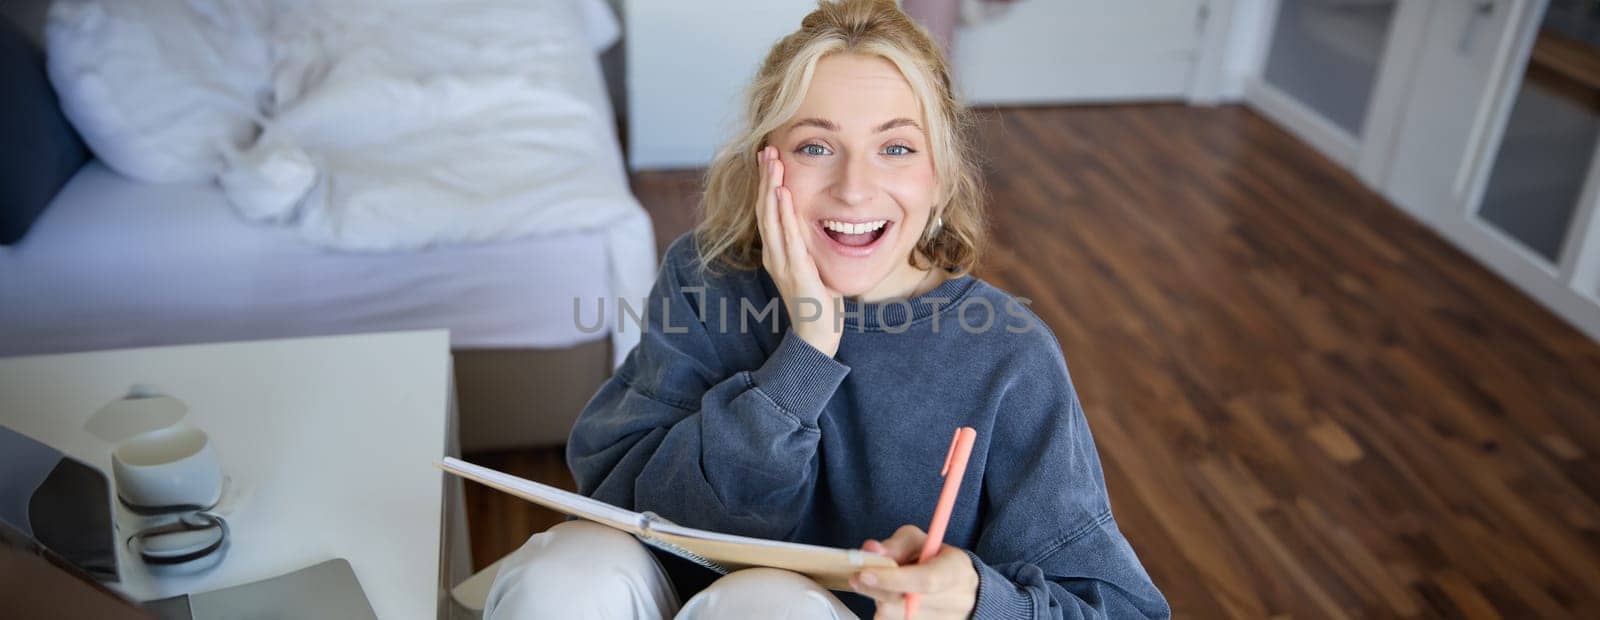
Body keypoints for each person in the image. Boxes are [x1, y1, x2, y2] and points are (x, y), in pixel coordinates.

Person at [485, 1, 1169, 618]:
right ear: (766, 162)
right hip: (675, 598)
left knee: (764, 605)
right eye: (816, 147)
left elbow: (1117, 609)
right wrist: (804, 357)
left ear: (940, 179)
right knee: (565, 567)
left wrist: (976, 599)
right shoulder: (706, 279)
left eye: (896, 148)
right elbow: (622, 500)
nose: (853, 187)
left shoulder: (1008, 357)